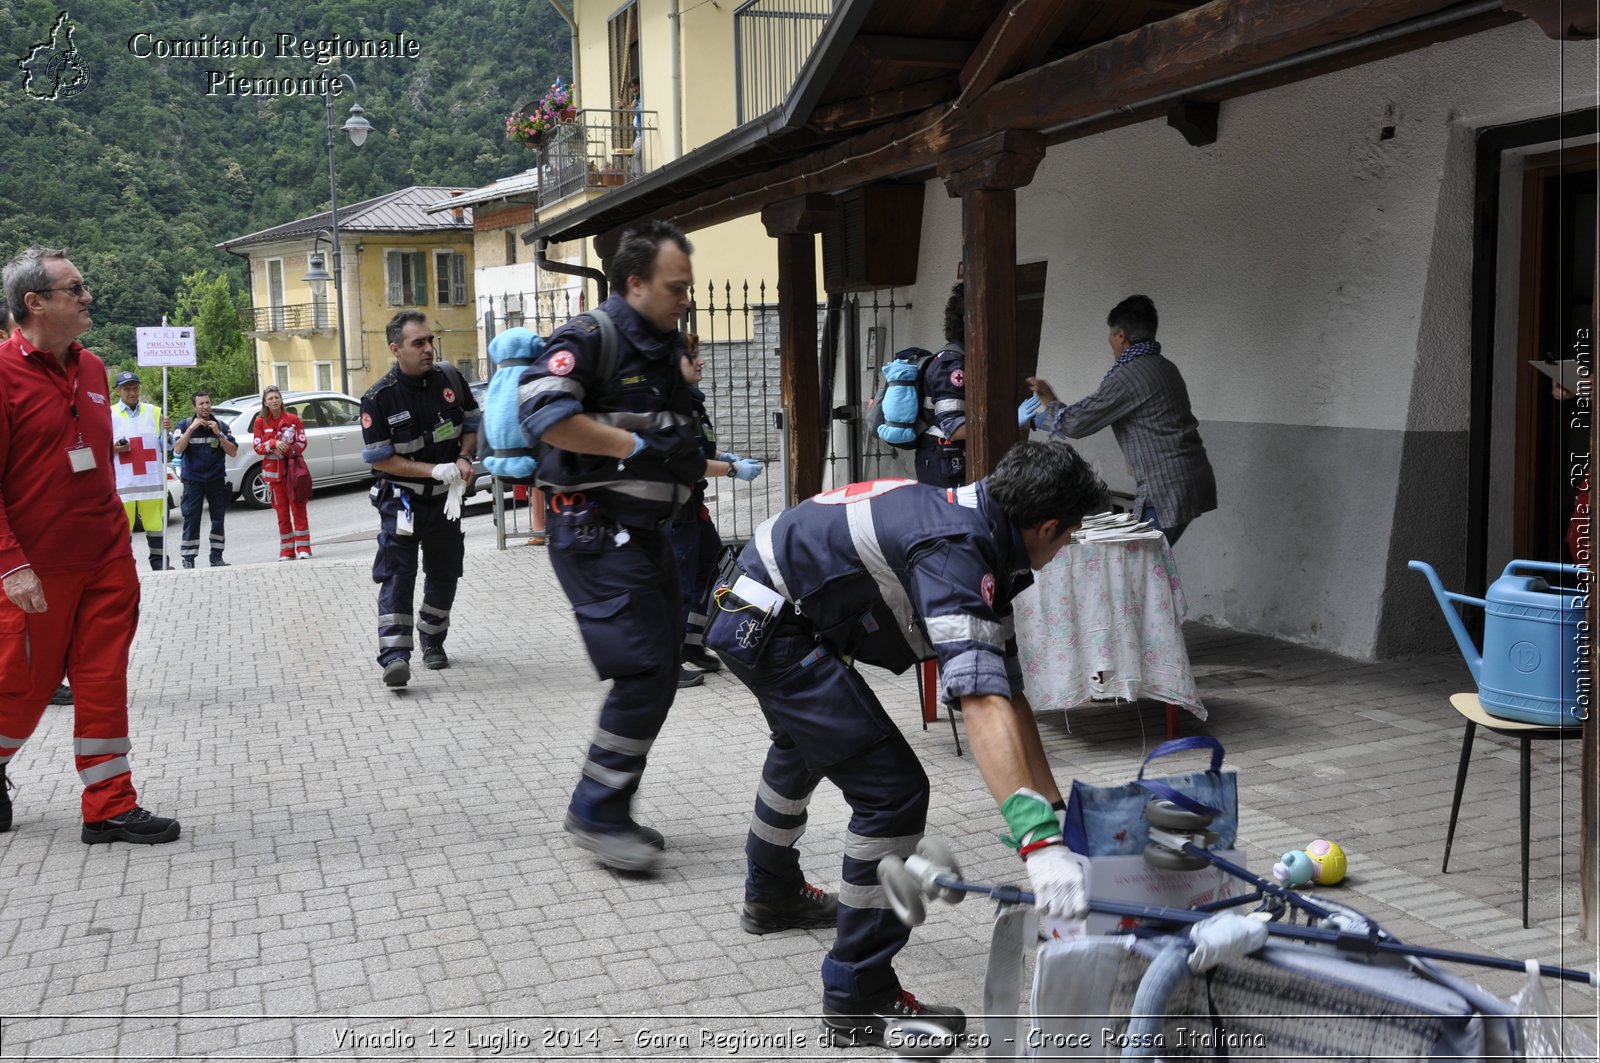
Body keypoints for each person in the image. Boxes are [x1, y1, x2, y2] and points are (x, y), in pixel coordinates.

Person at [704, 440, 1108, 1047]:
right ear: (1048, 526)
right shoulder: (956, 549)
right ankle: (857, 996)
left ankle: (773, 894)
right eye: (1069, 535)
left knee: (804, 744)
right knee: (892, 793)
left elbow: (1007, 691)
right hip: (768, 622)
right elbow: (980, 701)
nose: (1067, 546)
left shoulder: (976, 528)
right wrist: (1037, 843)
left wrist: (1052, 816)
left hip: (760, 606)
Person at [517, 219, 709, 873]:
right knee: (643, 672)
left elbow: (673, 433)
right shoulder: (589, 338)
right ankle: (597, 810)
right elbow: (545, 417)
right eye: (675, 287)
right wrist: (631, 445)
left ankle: (610, 803)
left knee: (660, 673)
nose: (685, 298)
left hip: (651, 535)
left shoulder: (662, 348)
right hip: (596, 535)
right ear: (635, 283)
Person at [0, 246, 180, 844]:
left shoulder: (96, 368)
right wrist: (12, 566)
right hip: (36, 569)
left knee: (103, 678)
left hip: (105, 558)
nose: (87, 296)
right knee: (24, 687)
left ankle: (109, 806)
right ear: (35, 303)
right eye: (73, 288)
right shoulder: (2, 374)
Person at [1021, 294, 1215, 545]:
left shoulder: (1130, 375)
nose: (1110, 342)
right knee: (1151, 564)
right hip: (1190, 480)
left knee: (1138, 565)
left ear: (1121, 335)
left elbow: (1077, 422)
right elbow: (1157, 422)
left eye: (1111, 335)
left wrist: (1048, 400)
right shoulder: (1165, 367)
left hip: (1166, 488)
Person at [359, 311, 481, 689]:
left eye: (430, 341)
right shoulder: (378, 399)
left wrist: (463, 457)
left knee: (445, 572)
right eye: (419, 343)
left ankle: (433, 639)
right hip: (402, 501)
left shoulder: (449, 380)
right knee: (398, 574)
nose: (429, 349)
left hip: (445, 501)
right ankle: (395, 657)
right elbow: (381, 458)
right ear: (396, 349)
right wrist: (431, 470)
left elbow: (472, 423)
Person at [668, 332, 762, 688]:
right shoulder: (671, 405)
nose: (701, 361)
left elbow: (699, 450)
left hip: (690, 506)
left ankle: (692, 645)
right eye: (694, 356)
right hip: (674, 510)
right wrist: (732, 470)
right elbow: (684, 462)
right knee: (677, 586)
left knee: (711, 570)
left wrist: (724, 458)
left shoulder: (689, 401)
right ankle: (668, 663)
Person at [166, 391, 238, 568]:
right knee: (191, 518)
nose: (205, 406)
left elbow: (233, 452)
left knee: (218, 519)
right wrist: (191, 430)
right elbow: (177, 448)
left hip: (216, 479)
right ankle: (188, 559)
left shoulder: (221, 425)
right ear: (194, 407)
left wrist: (219, 434)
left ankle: (216, 557)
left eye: (208, 403)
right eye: (201, 404)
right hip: (193, 480)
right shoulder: (184, 425)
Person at [109, 370, 168, 570]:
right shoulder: (108, 414)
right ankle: (126, 567)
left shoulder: (155, 412)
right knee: (124, 529)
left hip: (151, 482)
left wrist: (168, 433)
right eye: (126, 389)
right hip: (123, 484)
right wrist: (116, 448)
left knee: (155, 526)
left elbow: (167, 447)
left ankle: (160, 563)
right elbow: (100, 447)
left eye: (135, 388)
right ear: (118, 391)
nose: (132, 393)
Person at [913, 283, 969, 488]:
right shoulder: (953, 364)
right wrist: (1007, 421)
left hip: (947, 460)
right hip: (943, 461)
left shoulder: (959, 358)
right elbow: (954, 427)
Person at [252, 385, 311, 561]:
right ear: (265, 402)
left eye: (276, 397)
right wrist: (272, 444)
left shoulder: (293, 419)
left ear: (281, 399)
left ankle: (303, 548)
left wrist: (287, 450)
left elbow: (302, 442)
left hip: (294, 473)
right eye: (270, 398)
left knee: (299, 509)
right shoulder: (260, 422)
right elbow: (257, 446)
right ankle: (286, 551)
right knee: (282, 514)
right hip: (275, 477)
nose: (274, 401)